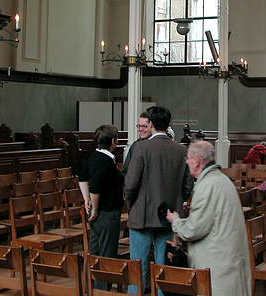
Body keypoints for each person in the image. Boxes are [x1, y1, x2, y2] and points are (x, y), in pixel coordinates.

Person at [166, 141, 252, 295]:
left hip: (217, 263)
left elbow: (194, 230)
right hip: (229, 259)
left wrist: (176, 221)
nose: (186, 162)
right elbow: (208, 220)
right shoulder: (222, 180)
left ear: (197, 161)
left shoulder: (206, 186)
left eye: (188, 158)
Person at [124, 106, 193, 295]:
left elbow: (130, 184)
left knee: (137, 270)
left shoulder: (141, 147)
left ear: (151, 124)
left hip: (142, 215)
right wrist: (178, 202)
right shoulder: (181, 150)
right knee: (165, 272)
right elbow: (188, 185)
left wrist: (133, 205)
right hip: (170, 216)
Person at [78, 124, 124, 291]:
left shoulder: (96, 156)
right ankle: (102, 291)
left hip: (99, 214)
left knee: (94, 253)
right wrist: (94, 207)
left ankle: (90, 290)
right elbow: (95, 186)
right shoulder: (105, 160)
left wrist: (86, 201)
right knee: (106, 256)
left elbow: (82, 177)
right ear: (113, 141)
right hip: (107, 213)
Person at [121, 112, 150, 177]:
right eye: (139, 126)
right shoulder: (135, 145)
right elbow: (126, 170)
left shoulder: (157, 145)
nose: (140, 129)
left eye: (144, 126)